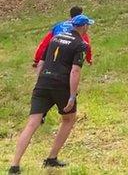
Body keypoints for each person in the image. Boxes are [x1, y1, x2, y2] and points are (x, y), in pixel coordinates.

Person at [8, 15, 93, 174]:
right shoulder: (81, 45)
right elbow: (75, 71)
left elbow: (41, 62)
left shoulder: (56, 38)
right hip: (62, 85)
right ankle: (51, 158)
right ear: (83, 27)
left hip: (43, 82)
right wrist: (72, 95)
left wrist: (38, 83)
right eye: (88, 26)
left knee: (32, 123)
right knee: (68, 119)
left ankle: (14, 165)